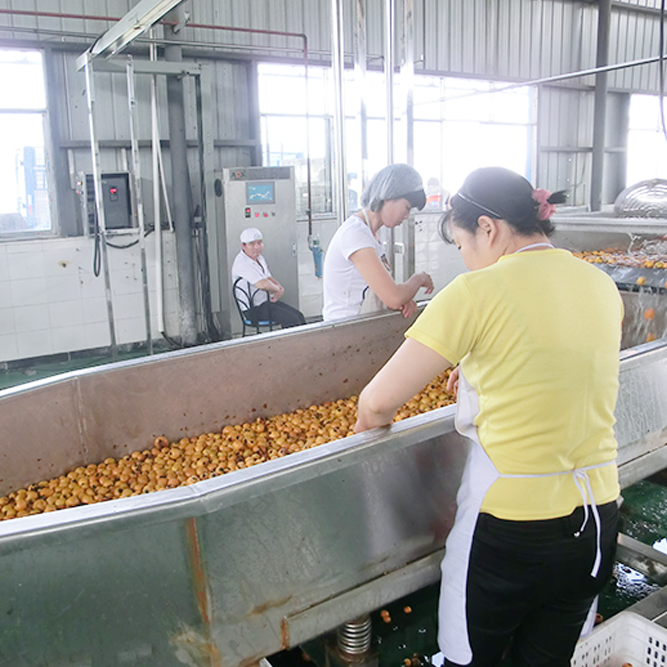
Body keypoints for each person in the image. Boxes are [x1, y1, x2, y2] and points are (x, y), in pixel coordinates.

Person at [354, 167, 623, 667]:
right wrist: (479, 372)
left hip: (511, 532)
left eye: (461, 245)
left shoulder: (476, 292)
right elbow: (554, 364)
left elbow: (375, 403)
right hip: (596, 521)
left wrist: (361, 460)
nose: (466, 259)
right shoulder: (600, 284)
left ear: (489, 229)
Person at [322, 163, 434, 321]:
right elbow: (393, 297)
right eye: (407, 208)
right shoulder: (355, 234)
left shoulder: (371, 234)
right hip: (344, 331)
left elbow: (386, 295)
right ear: (388, 197)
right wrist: (419, 279)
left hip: (360, 326)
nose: (407, 216)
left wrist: (402, 300)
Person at [231, 227, 306, 329]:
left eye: (260, 243)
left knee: (298, 316)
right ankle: (290, 344)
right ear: (243, 246)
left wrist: (279, 287)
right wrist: (277, 290)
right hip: (253, 309)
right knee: (291, 319)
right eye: (252, 244)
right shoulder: (242, 263)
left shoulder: (260, 258)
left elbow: (268, 278)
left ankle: (303, 344)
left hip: (265, 303)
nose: (257, 247)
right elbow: (262, 284)